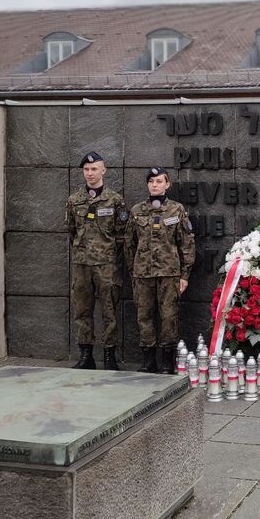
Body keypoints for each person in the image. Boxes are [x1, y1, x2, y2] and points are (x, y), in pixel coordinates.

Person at [125, 167, 196, 374]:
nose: (154, 185)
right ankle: (148, 361)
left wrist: (185, 275)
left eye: (159, 181)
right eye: (151, 181)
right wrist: (133, 271)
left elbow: (187, 244)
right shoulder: (137, 211)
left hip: (169, 274)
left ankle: (167, 361)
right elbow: (129, 244)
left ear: (167, 184)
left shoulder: (176, 210)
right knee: (144, 316)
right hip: (143, 274)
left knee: (169, 316)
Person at [65, 151, 127, 370]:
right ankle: (86, 356)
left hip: (106, 265)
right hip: (82, 264)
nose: (90, 173)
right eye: (86, 169)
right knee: (82, 310)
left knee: (109, 310)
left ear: (103, 171)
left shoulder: (115, 200)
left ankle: (109, 355)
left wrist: (108, 255)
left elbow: (121, 235)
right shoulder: (74, 200)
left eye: (94, 169)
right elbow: (71, 231)